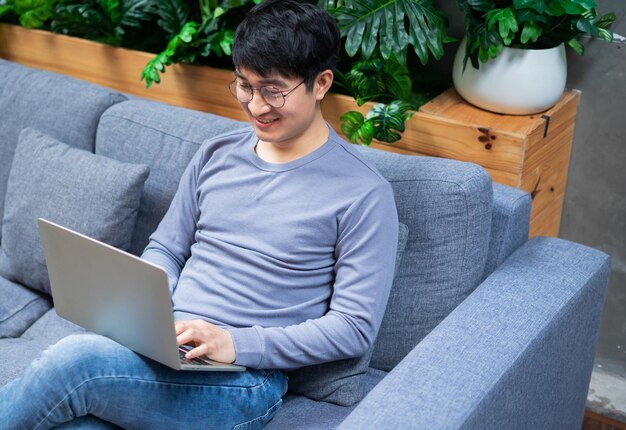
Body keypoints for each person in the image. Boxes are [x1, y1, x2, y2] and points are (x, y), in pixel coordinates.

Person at [0, 0, 399, 428]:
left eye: (273, 90)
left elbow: (353, 327)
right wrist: (145, 311)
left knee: (74, 361)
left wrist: (235, 343)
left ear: (320, 83)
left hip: (245, 381)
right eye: (245, 86)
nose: (256, 106)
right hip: (164, 350)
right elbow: (167, 248)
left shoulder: (363, 193)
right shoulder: (216, 154)